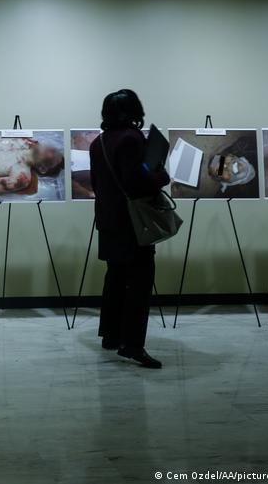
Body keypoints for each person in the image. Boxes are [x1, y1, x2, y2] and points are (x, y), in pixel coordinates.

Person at [89, 89, 170, 369]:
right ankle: (133, 345)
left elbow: (98, 184)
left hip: (108, 220)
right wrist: (162, 175)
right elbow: (137, 183)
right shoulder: (131, 138)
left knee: (115, 276)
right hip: (133, 223)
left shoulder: (98, 142)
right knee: (139, 282)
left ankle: (110, 336)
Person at [0, 137, 64, 195]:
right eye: (53, 151)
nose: (50, 154)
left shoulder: (22, 178)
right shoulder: (22, 140)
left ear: (42, 169)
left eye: (52, 159)